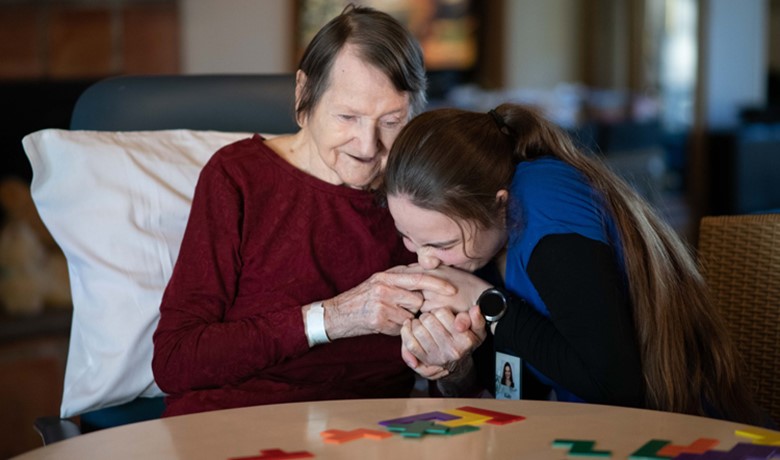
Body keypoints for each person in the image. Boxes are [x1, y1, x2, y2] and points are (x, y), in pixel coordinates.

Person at [151, 5, 456, 417]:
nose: (368, 147)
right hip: (236, 421)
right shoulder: (238, 177)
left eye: (391, 121)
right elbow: (175, 360)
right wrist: (334, 318)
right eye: (348, 117)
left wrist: (453, 363)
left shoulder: (421, 193)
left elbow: (460, 378)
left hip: (373, 434)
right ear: (303, 94)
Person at [382, 103, 766, 425]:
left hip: (683, 432)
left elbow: (615, 387)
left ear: (499, 204)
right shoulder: (480, 244)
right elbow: (513, 393)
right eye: (408, 237)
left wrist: (490, 302)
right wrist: (455, 366)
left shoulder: (545, 207)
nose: (425, 259)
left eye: (441, 243)